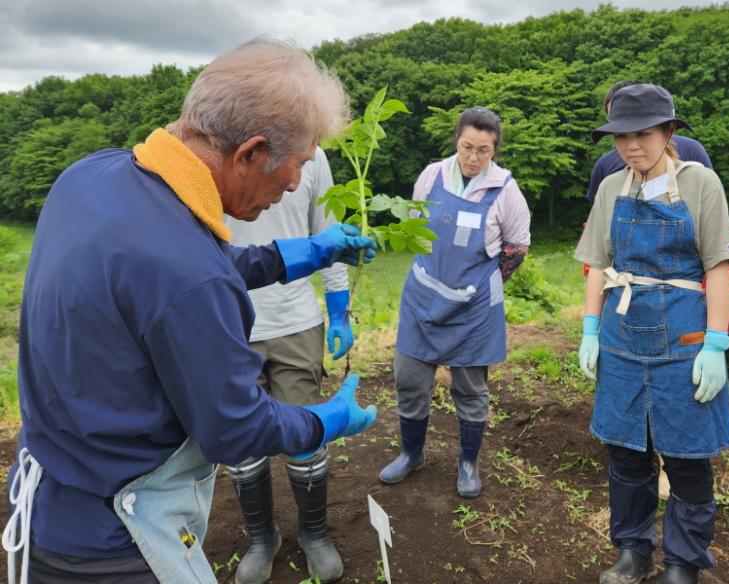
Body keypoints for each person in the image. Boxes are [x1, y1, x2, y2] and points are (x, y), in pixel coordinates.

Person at [2, 39, 379, 584]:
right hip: (118, 542)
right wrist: (327, 421)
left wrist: (307, 252)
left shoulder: (92, 176)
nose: (297, 183)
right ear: (249, 153)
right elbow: (236, 428)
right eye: (295, 166)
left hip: (51, 498)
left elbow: (182, 268)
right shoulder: (187, 273)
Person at [574, 84, 729, 584]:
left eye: (643, 134)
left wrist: (716, 343)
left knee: (687, 458)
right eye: (621, 136)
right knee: (626, 453)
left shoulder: (700, 184)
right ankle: (634, 551)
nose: (631, 146)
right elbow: (598, 266)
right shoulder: (610, 188)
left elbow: (718, 268)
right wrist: (589, 328)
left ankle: (684, 563)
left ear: (668, 132)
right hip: (623, 336)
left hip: (685, 339)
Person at [378, 107, 531, 498]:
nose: (473, 158)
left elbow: (516, 246)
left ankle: (468, 462)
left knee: (470, 389)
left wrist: (480, 284)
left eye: (484, 150)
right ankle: (411, 453)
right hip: (424, 296)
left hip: (474, 307)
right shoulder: (432, 175)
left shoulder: (505, 190)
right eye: (467, 147)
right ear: (456, 142)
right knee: (410, 381)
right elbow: (416, 225)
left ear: (495, 149)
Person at [222, 148, 351, 583]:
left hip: (295, 320)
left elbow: (328, 231)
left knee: (305, 432)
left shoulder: (313, 158)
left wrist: (338, 311)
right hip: (229, 321)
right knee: (241, 442)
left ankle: (313, 533)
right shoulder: (217, 153)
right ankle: (263, 537)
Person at [586, 80, 713, 204]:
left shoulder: (691, 150)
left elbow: (709, 202)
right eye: (615, 117)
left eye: (643, 133)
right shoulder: (604, 165)